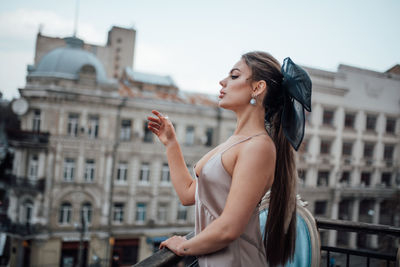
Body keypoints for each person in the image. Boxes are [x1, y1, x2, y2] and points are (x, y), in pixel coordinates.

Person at [147, 51, 311, 267]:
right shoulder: (235, 142)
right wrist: (171, 143)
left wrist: (183, 246)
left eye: (234, 76)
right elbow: (187, 193)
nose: (222, 81)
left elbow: (229, 228)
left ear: (257, 88)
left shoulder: (259, 147)